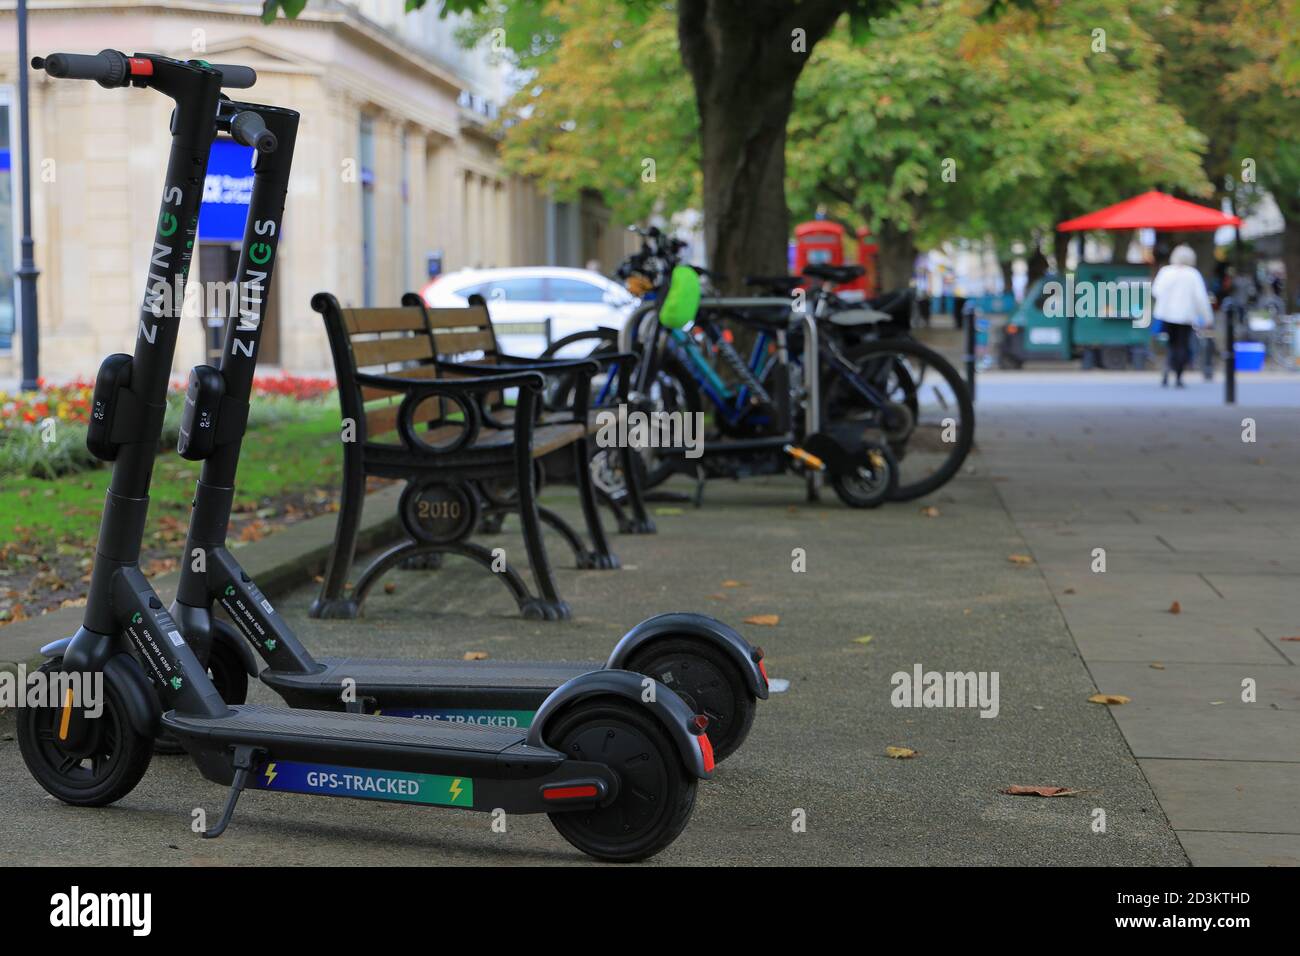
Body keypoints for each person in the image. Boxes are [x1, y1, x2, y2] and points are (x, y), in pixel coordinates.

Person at [1151, 244, 1214, 388]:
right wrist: (1207, 318)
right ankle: (1178, 376)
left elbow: (1156, 291)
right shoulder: (1193, 274)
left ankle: (1167, 369)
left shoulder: (1166, 271)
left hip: (1166, 314)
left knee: (1171, 344)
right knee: (1182, 345)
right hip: (1185, 316)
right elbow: (1201, 298)